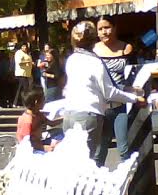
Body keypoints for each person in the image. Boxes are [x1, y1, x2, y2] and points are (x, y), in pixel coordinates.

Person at [61, 21, 142, 161]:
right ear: (94, 39)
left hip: (69, 114)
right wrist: (134, 98)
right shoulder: (94, 62)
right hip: (88, 115)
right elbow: (109, 92)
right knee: (88, 161)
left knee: (74, 160)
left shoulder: (72, 59)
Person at [94, 16, 135, 166]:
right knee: (99, 151)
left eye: (107, 27)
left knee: (124, 149)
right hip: (100, 108)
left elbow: (133, 75)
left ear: (115, 28)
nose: (104, 32)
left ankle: (129, 185)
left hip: (121, 106)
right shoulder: (92, 51)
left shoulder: (126, 48)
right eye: (100, 29)